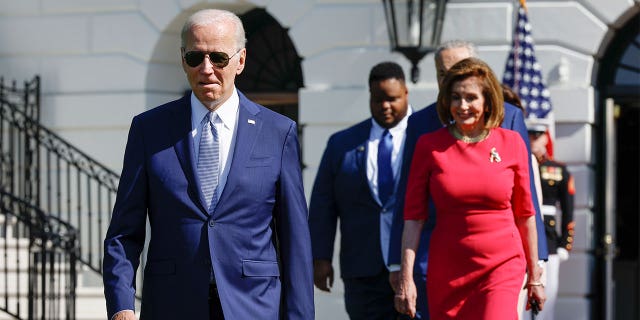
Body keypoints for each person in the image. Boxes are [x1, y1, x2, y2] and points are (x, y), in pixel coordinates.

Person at [102, 9, 314, 320]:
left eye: (218, 57)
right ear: (182, 59)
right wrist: (121, 306)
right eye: (195, 57)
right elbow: (123, 233)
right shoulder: (150, 129)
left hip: (253, 307)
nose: (207, 69)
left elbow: (295, 241)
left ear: (240, 60)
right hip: (172, 305)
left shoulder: (277, 132)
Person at [388, 40, 549, 319]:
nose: (463, 106)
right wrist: (405, 274)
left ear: (487, 100)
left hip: (502, 264)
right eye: (455, 98)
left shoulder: (510, 141)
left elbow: (527, 211)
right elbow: (412, 214)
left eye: (471, 98)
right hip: (447, 267)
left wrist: (535, 272)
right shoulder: (429, 145)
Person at [309, 61, 412, 320]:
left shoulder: (427, 137)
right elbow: (324, 203)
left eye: (392, 99)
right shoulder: (342, 144)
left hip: (415, 267)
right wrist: (320, 257)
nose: (385, 106)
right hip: (363, 270)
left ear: (406, 93)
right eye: (378, 99)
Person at [527, 119, 575, 320]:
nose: (534, 140)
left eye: (538, 136)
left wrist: (565, 242)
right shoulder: (520, 163)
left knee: (548, 299)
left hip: (549, 240)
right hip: (525, 237)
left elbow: (568, 209)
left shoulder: (558, 169)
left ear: (546, 137)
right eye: (530, 135)